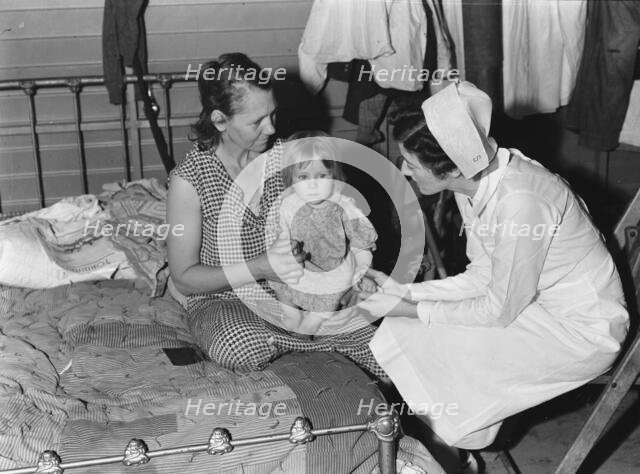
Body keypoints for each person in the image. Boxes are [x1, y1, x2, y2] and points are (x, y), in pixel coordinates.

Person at [358, 80, 629, 463]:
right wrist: (404, 295)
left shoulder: (521, 202)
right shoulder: (478, 183)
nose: (404, 170)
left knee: (435, 336)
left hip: (580, 331)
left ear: (451, 167)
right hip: (532, 306)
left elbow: (498, 307)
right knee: (408, 325)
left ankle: (449, 452)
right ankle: (445, 448)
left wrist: (413, 308)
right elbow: (483, 277)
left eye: (412, 163)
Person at [166, 52, 385, 379]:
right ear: (219, 120)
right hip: (224, 300)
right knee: (238, 344)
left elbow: (334, 221)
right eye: (256, 121)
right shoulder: (190, 180)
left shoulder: (287, 156)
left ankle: (307, 352)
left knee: (383, 353)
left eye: (272, 115)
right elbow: (184, 277)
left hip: (303, 295)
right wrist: (260, 267)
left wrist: (351, 274)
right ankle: (312, 359)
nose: (271, 128)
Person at [270, 132, 377, 334]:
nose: (313, 185)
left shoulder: (343, 206)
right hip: (303, 267)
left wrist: (364, 272)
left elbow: (362, 245)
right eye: (303, 177)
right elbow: (282, 239)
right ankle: (291, 314)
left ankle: (314, 321)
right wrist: (286, 252)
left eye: (322, 176)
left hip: (334, 270)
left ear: (334, 176)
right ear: (290, 179)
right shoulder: (288, 204)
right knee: (278, 277)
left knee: (338, 282)